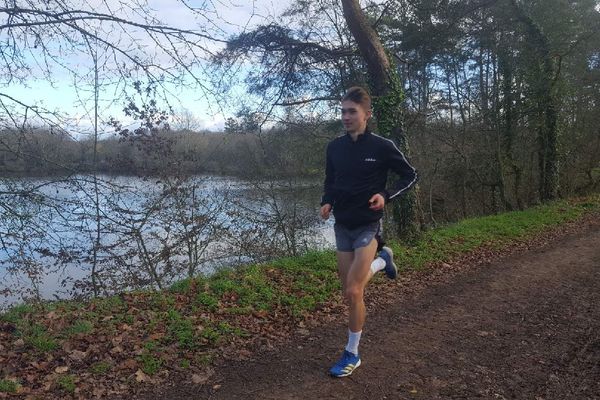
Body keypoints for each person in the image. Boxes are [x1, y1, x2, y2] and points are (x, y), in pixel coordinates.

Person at [320, 86, 417, 378]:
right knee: (348, 295)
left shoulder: (382, 146)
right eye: (343, 111)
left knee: (353, 289)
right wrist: (327, 201)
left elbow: (410, 175)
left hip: (368, 224)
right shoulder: (334, 147)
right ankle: (382, 260)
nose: (346, 116)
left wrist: (386, 195)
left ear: (367, 114)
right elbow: (331, 180)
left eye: (352, 111)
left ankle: (352, 352)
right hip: (343, 225)